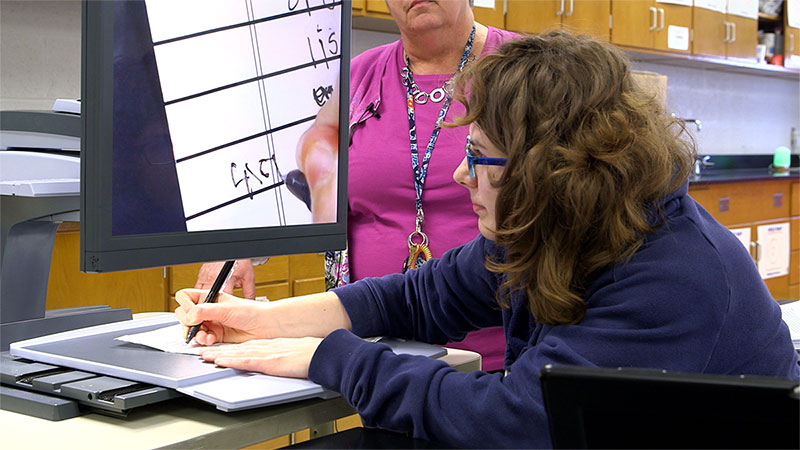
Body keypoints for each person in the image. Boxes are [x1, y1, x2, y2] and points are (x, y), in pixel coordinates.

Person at [176, 31, 800, 448]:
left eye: (478, 159)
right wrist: (259, 321)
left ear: (551, 169)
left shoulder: (670, 275)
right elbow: (419, 298)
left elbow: (517, 422)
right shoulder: (559, 222)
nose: (457, 175)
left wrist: (328, 356)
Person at [195, 0, 517, 372]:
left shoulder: (524, 72)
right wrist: (244, 244)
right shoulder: (359, 77)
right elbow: (306, 178)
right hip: (379, 345)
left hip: (499, 354)